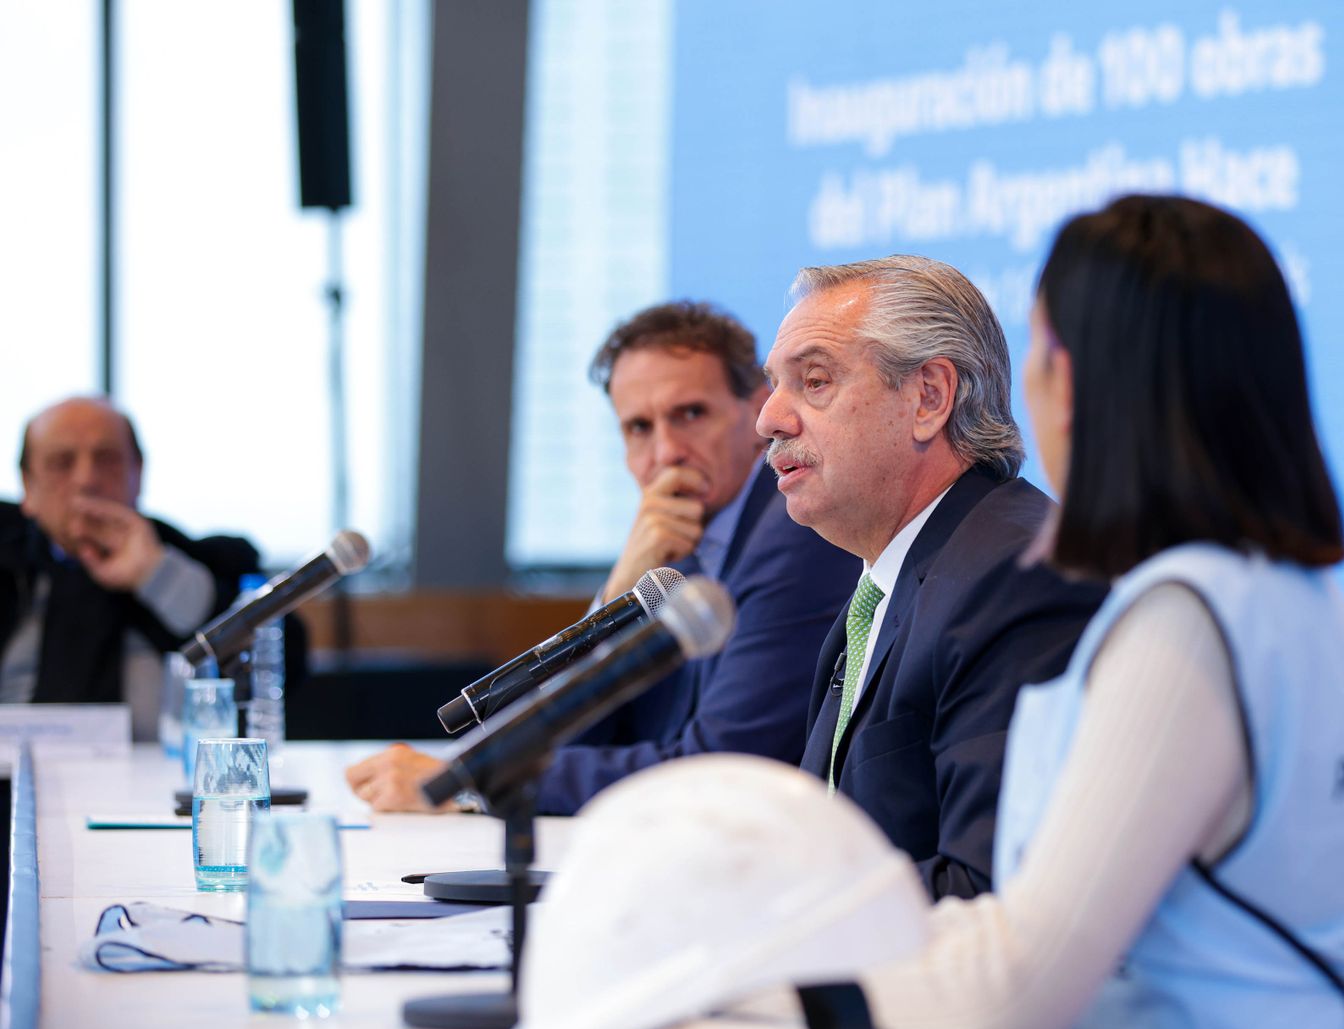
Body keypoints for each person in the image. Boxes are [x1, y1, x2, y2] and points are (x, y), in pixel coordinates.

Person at [857, 196, 1344, 1029]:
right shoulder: (1273, 589)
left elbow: (1022, 983)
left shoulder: (1188, 621)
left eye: (1040, 353)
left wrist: (767, 981)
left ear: (1078, 379)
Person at [347, 301, 859, 814]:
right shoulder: (672, 547)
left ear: (756, 411)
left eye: (690, 414)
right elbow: (571, 736)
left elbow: (722, 767)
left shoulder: (794, 532)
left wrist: (468, 781)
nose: (666, 454)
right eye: (639, 428)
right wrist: (619, 592)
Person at [759, 256, 1105, 900]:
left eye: (813, 381)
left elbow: (990, 887)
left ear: (929, 398)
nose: (770, 419)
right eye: (773, 385)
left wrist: (769, 912)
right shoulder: (884, 588)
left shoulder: (1020, 576)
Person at [0, 396, 281, 741]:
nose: (87, 480)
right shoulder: (7, 554)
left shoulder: (189, 555)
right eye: (62, 463)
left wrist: (156, 574)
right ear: (27, 486)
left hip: (155, 781)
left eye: (108, 459)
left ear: (138, 472)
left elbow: (277, 662)